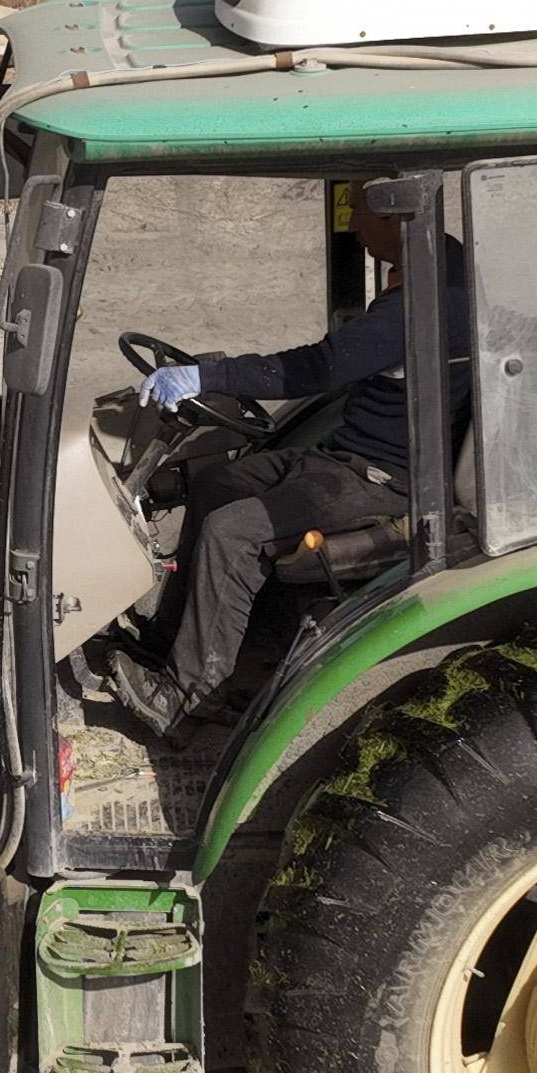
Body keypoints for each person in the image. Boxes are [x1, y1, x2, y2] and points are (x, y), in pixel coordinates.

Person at [95, 189, 470, 739]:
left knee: (233, 533)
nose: (354, 227)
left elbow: (320, 368)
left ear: (394, 213)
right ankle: (169, 643)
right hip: (347, 456)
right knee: (219, 483)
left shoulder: (424, 295)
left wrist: (210, 376)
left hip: (388, 479)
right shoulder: (435, 259)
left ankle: (185, 699)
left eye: (358, 214)